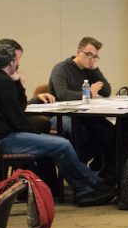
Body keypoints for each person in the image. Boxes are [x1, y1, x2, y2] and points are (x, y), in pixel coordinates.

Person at [0, 39, 114, 206]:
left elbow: (17, 110)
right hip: (3, 141)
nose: (19, 63)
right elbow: (17, 118)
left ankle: (84, 189)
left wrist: (17, 84)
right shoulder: (1, 82)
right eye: (18, 59)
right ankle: (94, 184)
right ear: (11, 61)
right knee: (62, 145)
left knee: (58, 143)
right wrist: (37, 132)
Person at [48, 36, 116, 178]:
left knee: (108, 129)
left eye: (95, 57)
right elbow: (63, 95)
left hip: (84, 114)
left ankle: (104, 172)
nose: (91, 59)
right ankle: (79, 173)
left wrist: (95, 70)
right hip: (61, 115)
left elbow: (106, 91)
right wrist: (89, 93)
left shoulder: (89, 70)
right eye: (88, 55)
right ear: (78, 52)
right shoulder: (61, 68)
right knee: (80, 130)